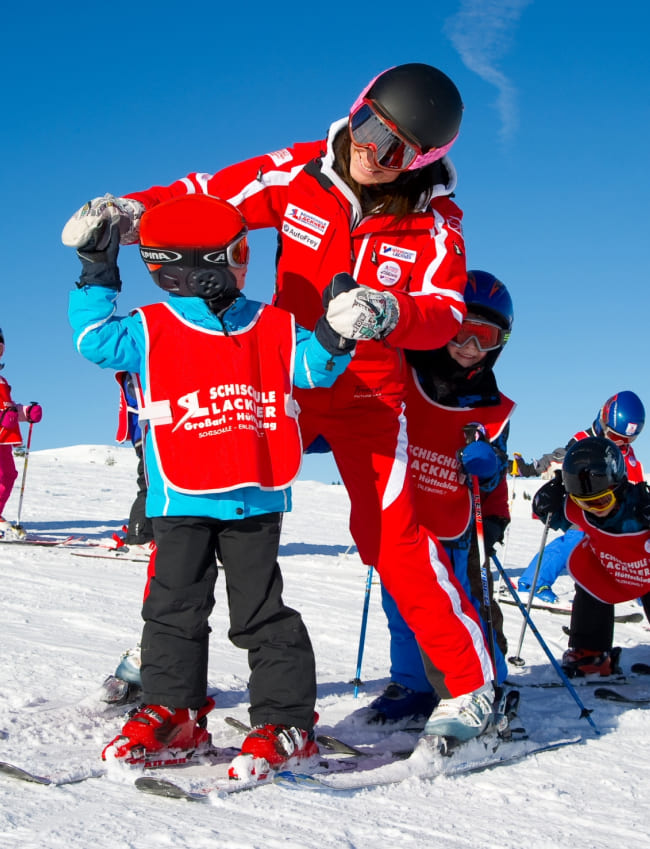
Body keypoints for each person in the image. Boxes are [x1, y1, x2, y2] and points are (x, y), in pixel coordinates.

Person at [62, 63, 498, 743]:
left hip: (366, 396)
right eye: (367, 126)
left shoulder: (433, 226)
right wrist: (130, 213)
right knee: (195, 491)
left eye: (395, 150)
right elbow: (208, 197)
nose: (369, 152)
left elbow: (443, 312)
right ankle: (163, 660)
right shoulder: (300, 173)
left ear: (423, 162)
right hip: (282, 373)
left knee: (390, 534)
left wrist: (390, 311)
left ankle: (472, 691)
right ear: (355, 109)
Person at [68, 194, 362, 776]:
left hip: (254, 493)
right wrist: (97, 271)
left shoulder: (272, 323)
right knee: (173, 609)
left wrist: (336, 332)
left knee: (258, 613)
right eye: (238, 253)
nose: (241, 264)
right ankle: (173, 712)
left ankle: (285, 723)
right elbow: (95, 339)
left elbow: (311, 370)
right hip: (181, 494)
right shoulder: (152, 327)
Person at [366, 271, 514, 725]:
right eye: (458, 331)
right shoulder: (402, 373)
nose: (470, 346)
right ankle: (413, 684)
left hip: (457, 522)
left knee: (464, 604)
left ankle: (489, 685)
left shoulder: (493, 406)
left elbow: (496, 474)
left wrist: (489, 480)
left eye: (484, 337)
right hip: (403, 514)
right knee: (402, 603)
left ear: (499, 344)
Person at [531, 436, 650, 678]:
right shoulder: (580, 508)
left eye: (602, 500)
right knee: (587, 574)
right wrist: (544, 504)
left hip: (646, 575)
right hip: (611, 572)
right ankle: (591, 654)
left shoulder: (639, 511)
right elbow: (556, 514)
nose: (595, 510)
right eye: (584, 504)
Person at [513, 391, 645, 603]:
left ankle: (639, 594)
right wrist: (529, 469)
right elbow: (556, 459)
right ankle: (532, 584)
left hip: (612, 512)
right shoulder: (584, 441)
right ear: (603, 421)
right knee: (578, 537)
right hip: (582, 507)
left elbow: (635, 482)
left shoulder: (626, 453)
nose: (621, 443)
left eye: (628, 439)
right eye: (617, 437)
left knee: (633, 544)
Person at [0, 327, 43, 539]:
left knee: (8, 475)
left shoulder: (2, 381)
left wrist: (25, 412)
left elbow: (8, 408)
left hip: (3, 440)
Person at [111, 370, 155, 557]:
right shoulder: (139, 369)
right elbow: (140, 395)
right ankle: (139, 537)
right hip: (148, 435)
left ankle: (150, 532)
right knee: (149, 483)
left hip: (155, 435)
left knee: (158, 485)